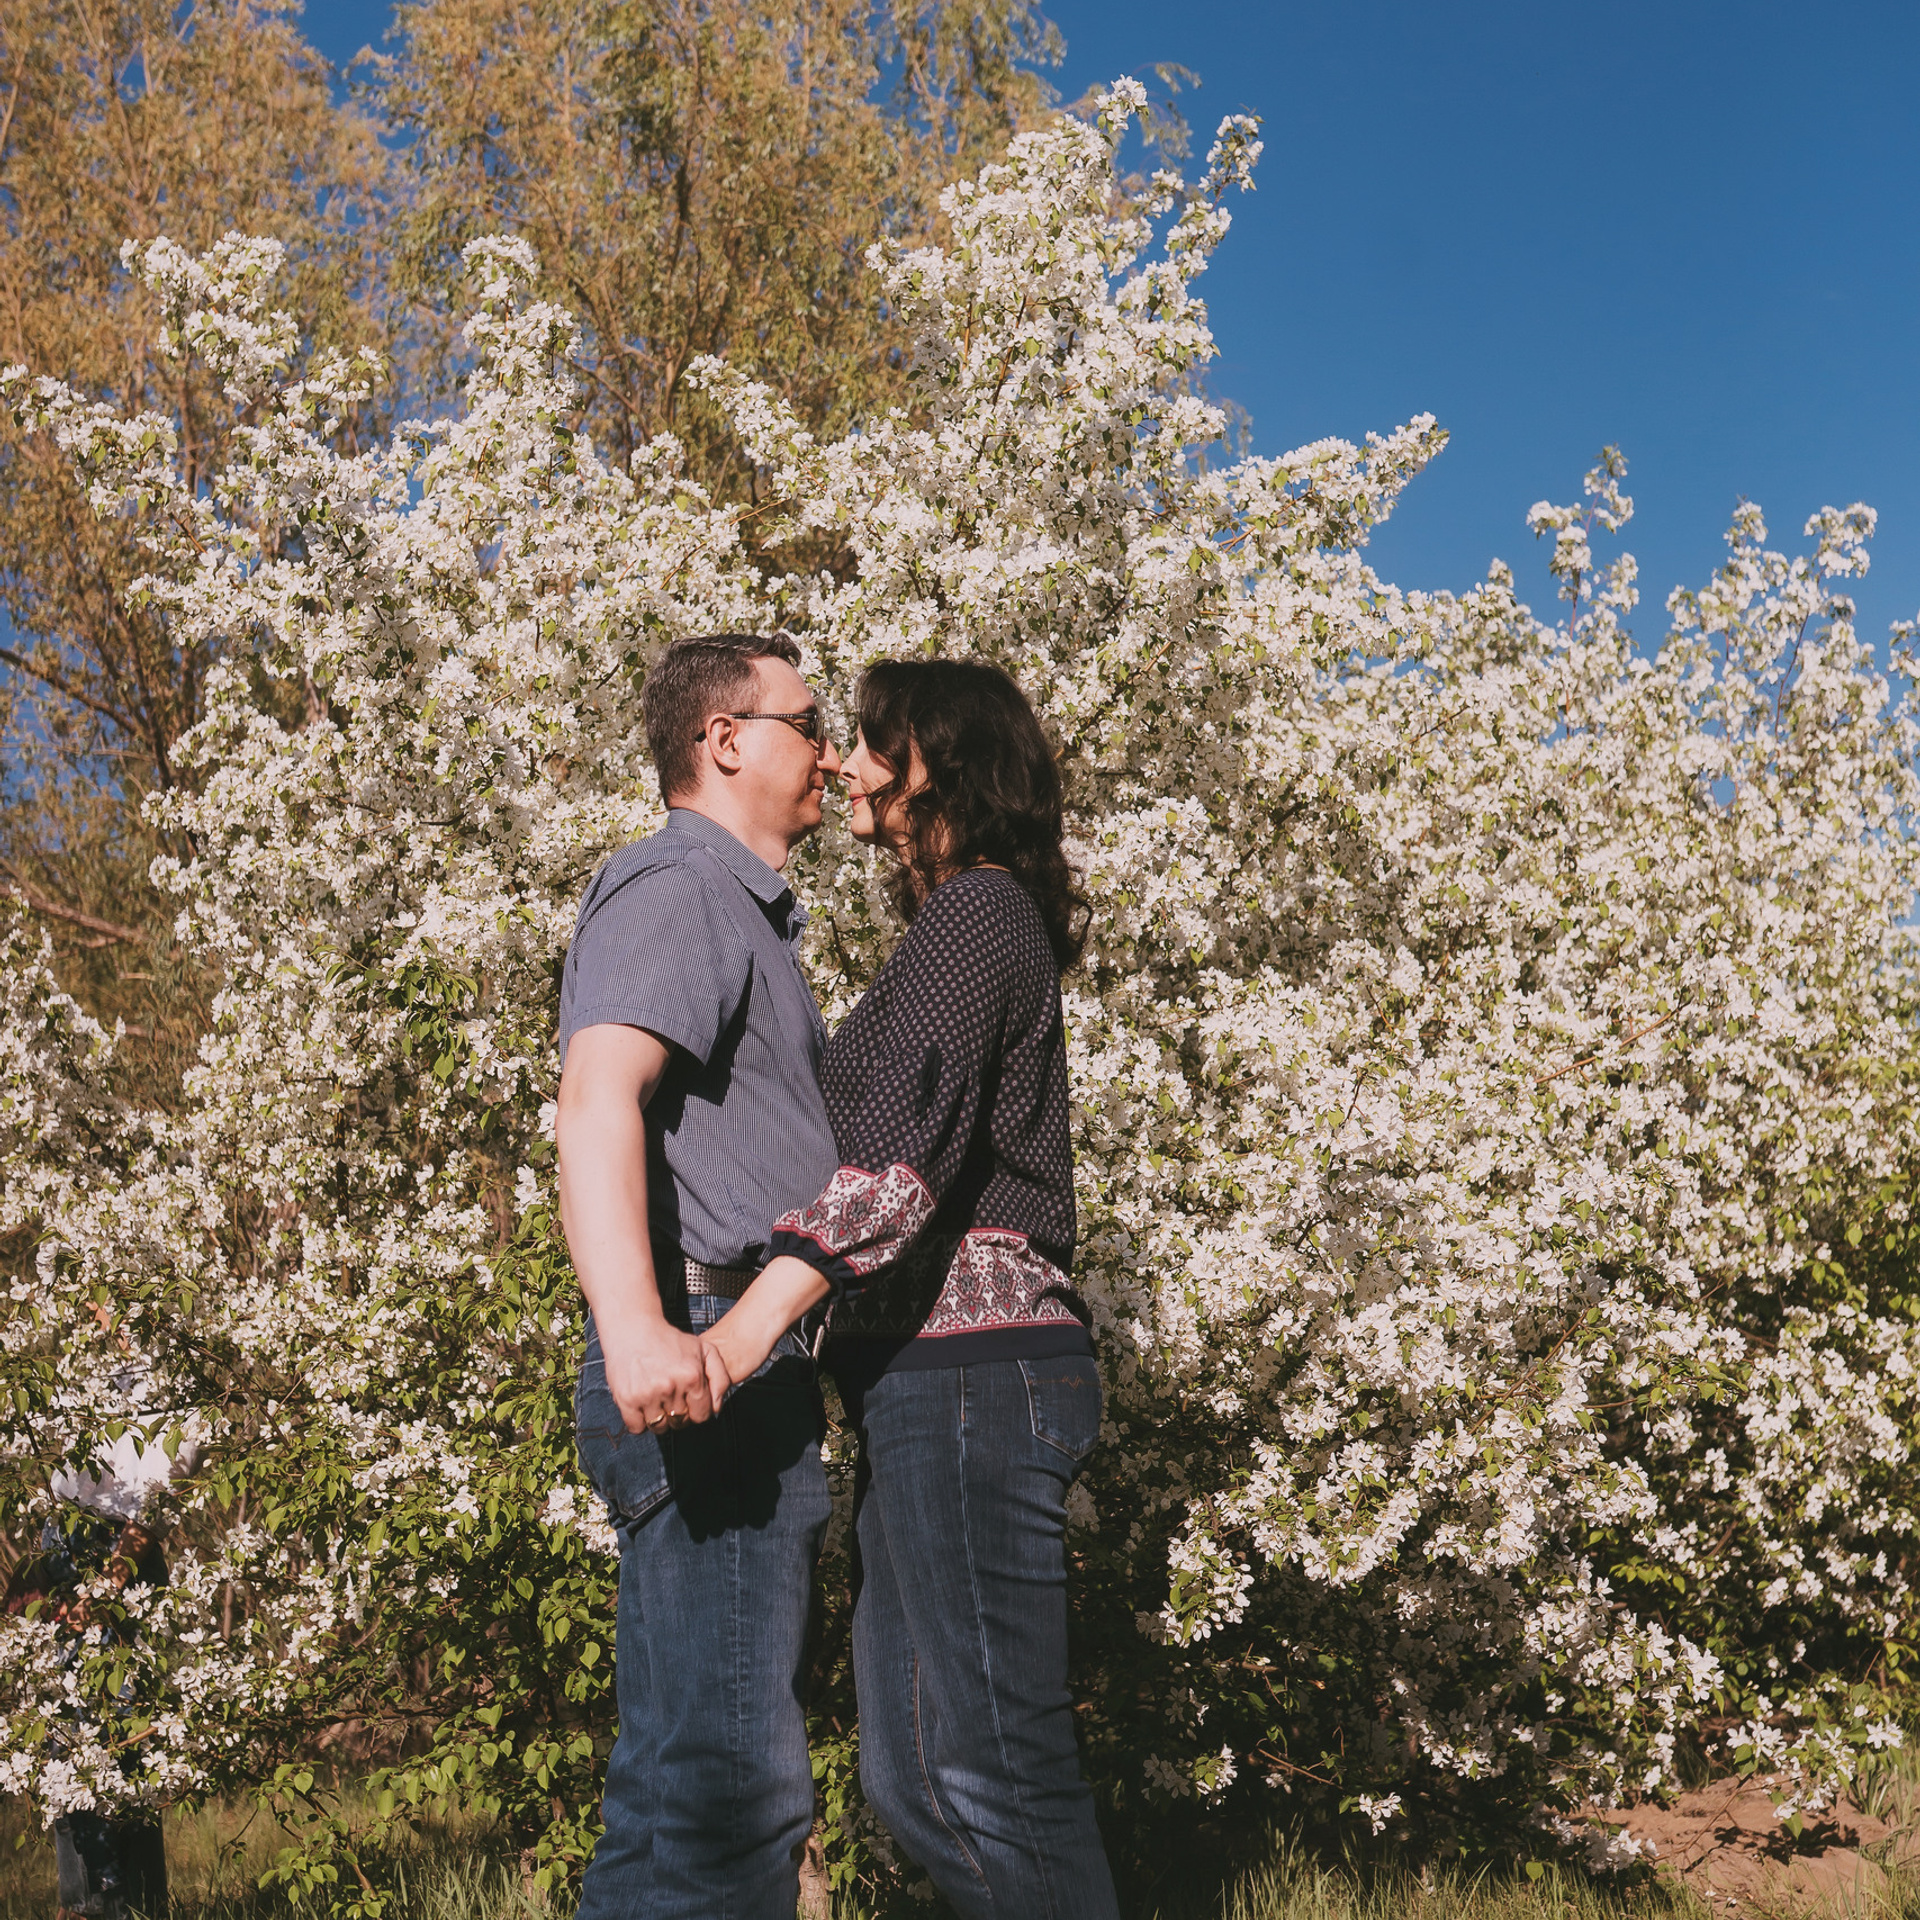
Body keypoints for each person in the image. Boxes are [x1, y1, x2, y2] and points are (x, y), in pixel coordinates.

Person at [702, 658, 1120, 1920]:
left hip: (973, 1382)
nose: (851, 763)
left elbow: (896, 1154)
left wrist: (737, 1335)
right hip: (924, 1389)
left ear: (952, 760)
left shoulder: (977, 916)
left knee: (991, 1776)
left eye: (882, 744)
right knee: (919, 1779)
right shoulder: (965, 925)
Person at [554, 631, 843, 1920]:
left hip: (740, 1357)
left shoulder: (744, 916)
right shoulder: (683, 888)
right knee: (729, 1799)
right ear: (727, 740)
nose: (833, 749)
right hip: (707, 1359)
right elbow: (597, 1095)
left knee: (682, 1798)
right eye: (808, 721)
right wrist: (639, 1327)